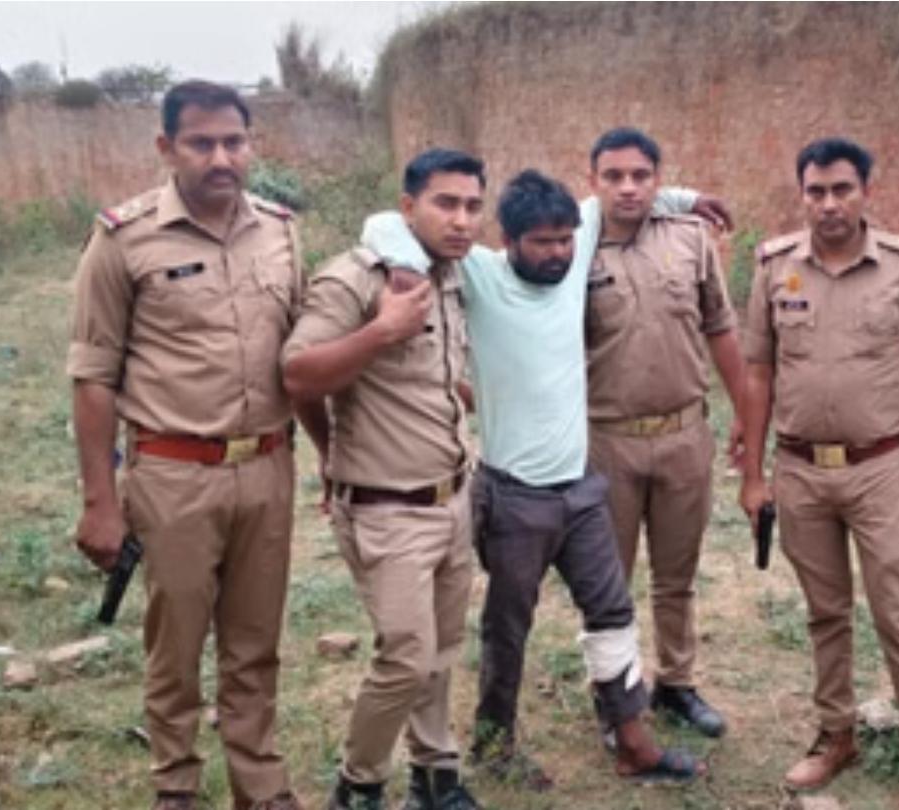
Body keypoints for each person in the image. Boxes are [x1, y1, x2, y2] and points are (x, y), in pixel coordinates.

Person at [361, 167, 718, 788]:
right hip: (511, 498)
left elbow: (620, 194)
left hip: (580, 489)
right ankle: (495, 745)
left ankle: (632, 741)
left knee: (612, 612)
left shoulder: (574, 257)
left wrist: (689, 197)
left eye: (565, 240)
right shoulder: (480, 274)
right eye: (542, 243)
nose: (558, 253)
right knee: (508, 627)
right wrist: (407, 268)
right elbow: (383, 222)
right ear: (508, 240)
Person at [67, 80, 307, 810]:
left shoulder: (281, 231)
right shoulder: (124, 239)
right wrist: (99, 502)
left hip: (267, 467)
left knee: (255, 643)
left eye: (234, 141)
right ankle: (175, 785)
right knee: (175, 646)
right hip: (173, 475)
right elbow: (93, 376)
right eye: (201, 143)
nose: (221, 157)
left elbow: (301, 353)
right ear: (167, 147)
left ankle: (260, 786)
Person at [738, 137, 899, 810]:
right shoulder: (774, 267)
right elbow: (757, 373)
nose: (828, 204)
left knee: (897, 614)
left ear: (865, 192)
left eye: (841, 190)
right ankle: (835, 735)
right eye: (816, 191)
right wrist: (753, 474)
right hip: (800, 470)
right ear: (801, 195)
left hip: (878, 469)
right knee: (825, 613)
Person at [281, 150, 486, 810]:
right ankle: (359, 783)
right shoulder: (353, 279)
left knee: (442, 648)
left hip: (452, 496)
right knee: (405, 655)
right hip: (385, 508)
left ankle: (434, 774)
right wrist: (381, 332)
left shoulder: (448, 276)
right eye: (445, 203)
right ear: (407, 207)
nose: (461, 219)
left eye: (472, 206)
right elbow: (299, 375)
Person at [583, 127, 747, 738]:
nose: (628, 188)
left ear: (659, 179)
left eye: (641, 176)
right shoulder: (573, 248)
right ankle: (616, 696)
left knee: (677, 575)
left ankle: (677, 683)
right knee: (609, 581)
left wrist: (747, 417)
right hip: (608, 440)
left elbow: (721, 329)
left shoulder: (689, 238)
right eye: (614, 176)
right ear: (593, 181)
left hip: (684, 435)